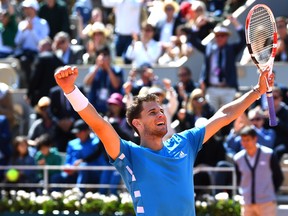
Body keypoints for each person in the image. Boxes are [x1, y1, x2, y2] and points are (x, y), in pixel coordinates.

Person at [54, 64, 273, 215]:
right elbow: (100, 125)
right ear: (137, 124)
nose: (160, 114)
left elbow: (223, 115)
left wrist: (257, 91)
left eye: (160, 110)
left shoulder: (184, 142)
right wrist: (70, 90)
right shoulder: (129, 154)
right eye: (152, 112)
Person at [190, 16, 245, 111]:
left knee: (229, 116)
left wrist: (236, 23)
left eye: (222, 35)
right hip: (212, 88)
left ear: (227, 37)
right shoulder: (209, 49)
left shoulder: (231, 49)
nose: (219, 38)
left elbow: (244, 40)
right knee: (212, 116)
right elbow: (193, 41)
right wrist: (197, 25)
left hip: (228, 88)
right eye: (217, 35)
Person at [234, 125, 283, 216]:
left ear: (255, 139)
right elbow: (239, 179)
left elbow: (278, 177)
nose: (245, 143)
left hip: (267, 203)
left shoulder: (268, 154)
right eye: (243, 140)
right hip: (247, 203)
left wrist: (269, 193)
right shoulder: (238, 158)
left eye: (247, 140)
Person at [14, 0, 50, 88]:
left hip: (38, 52)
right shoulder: (22, 24)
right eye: (25, 8)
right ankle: (29, 85)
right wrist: (24, 31)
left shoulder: (42, 23)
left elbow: (42, 42)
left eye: (29, 8)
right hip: (26, 53)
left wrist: (32, 30)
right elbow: (17, 41)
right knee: (24, 61)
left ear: (34, 9)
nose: (26, 11)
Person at [83, 46, 124, 115]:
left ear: (110, 57)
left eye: (105, 55)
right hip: (95, 106)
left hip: (111, 107)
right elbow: (87, 83)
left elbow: (116, 85)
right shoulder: (93, 70)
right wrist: (97, 66)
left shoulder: (117, 70)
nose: (103, 58)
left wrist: (108, 67)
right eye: (100, 55)